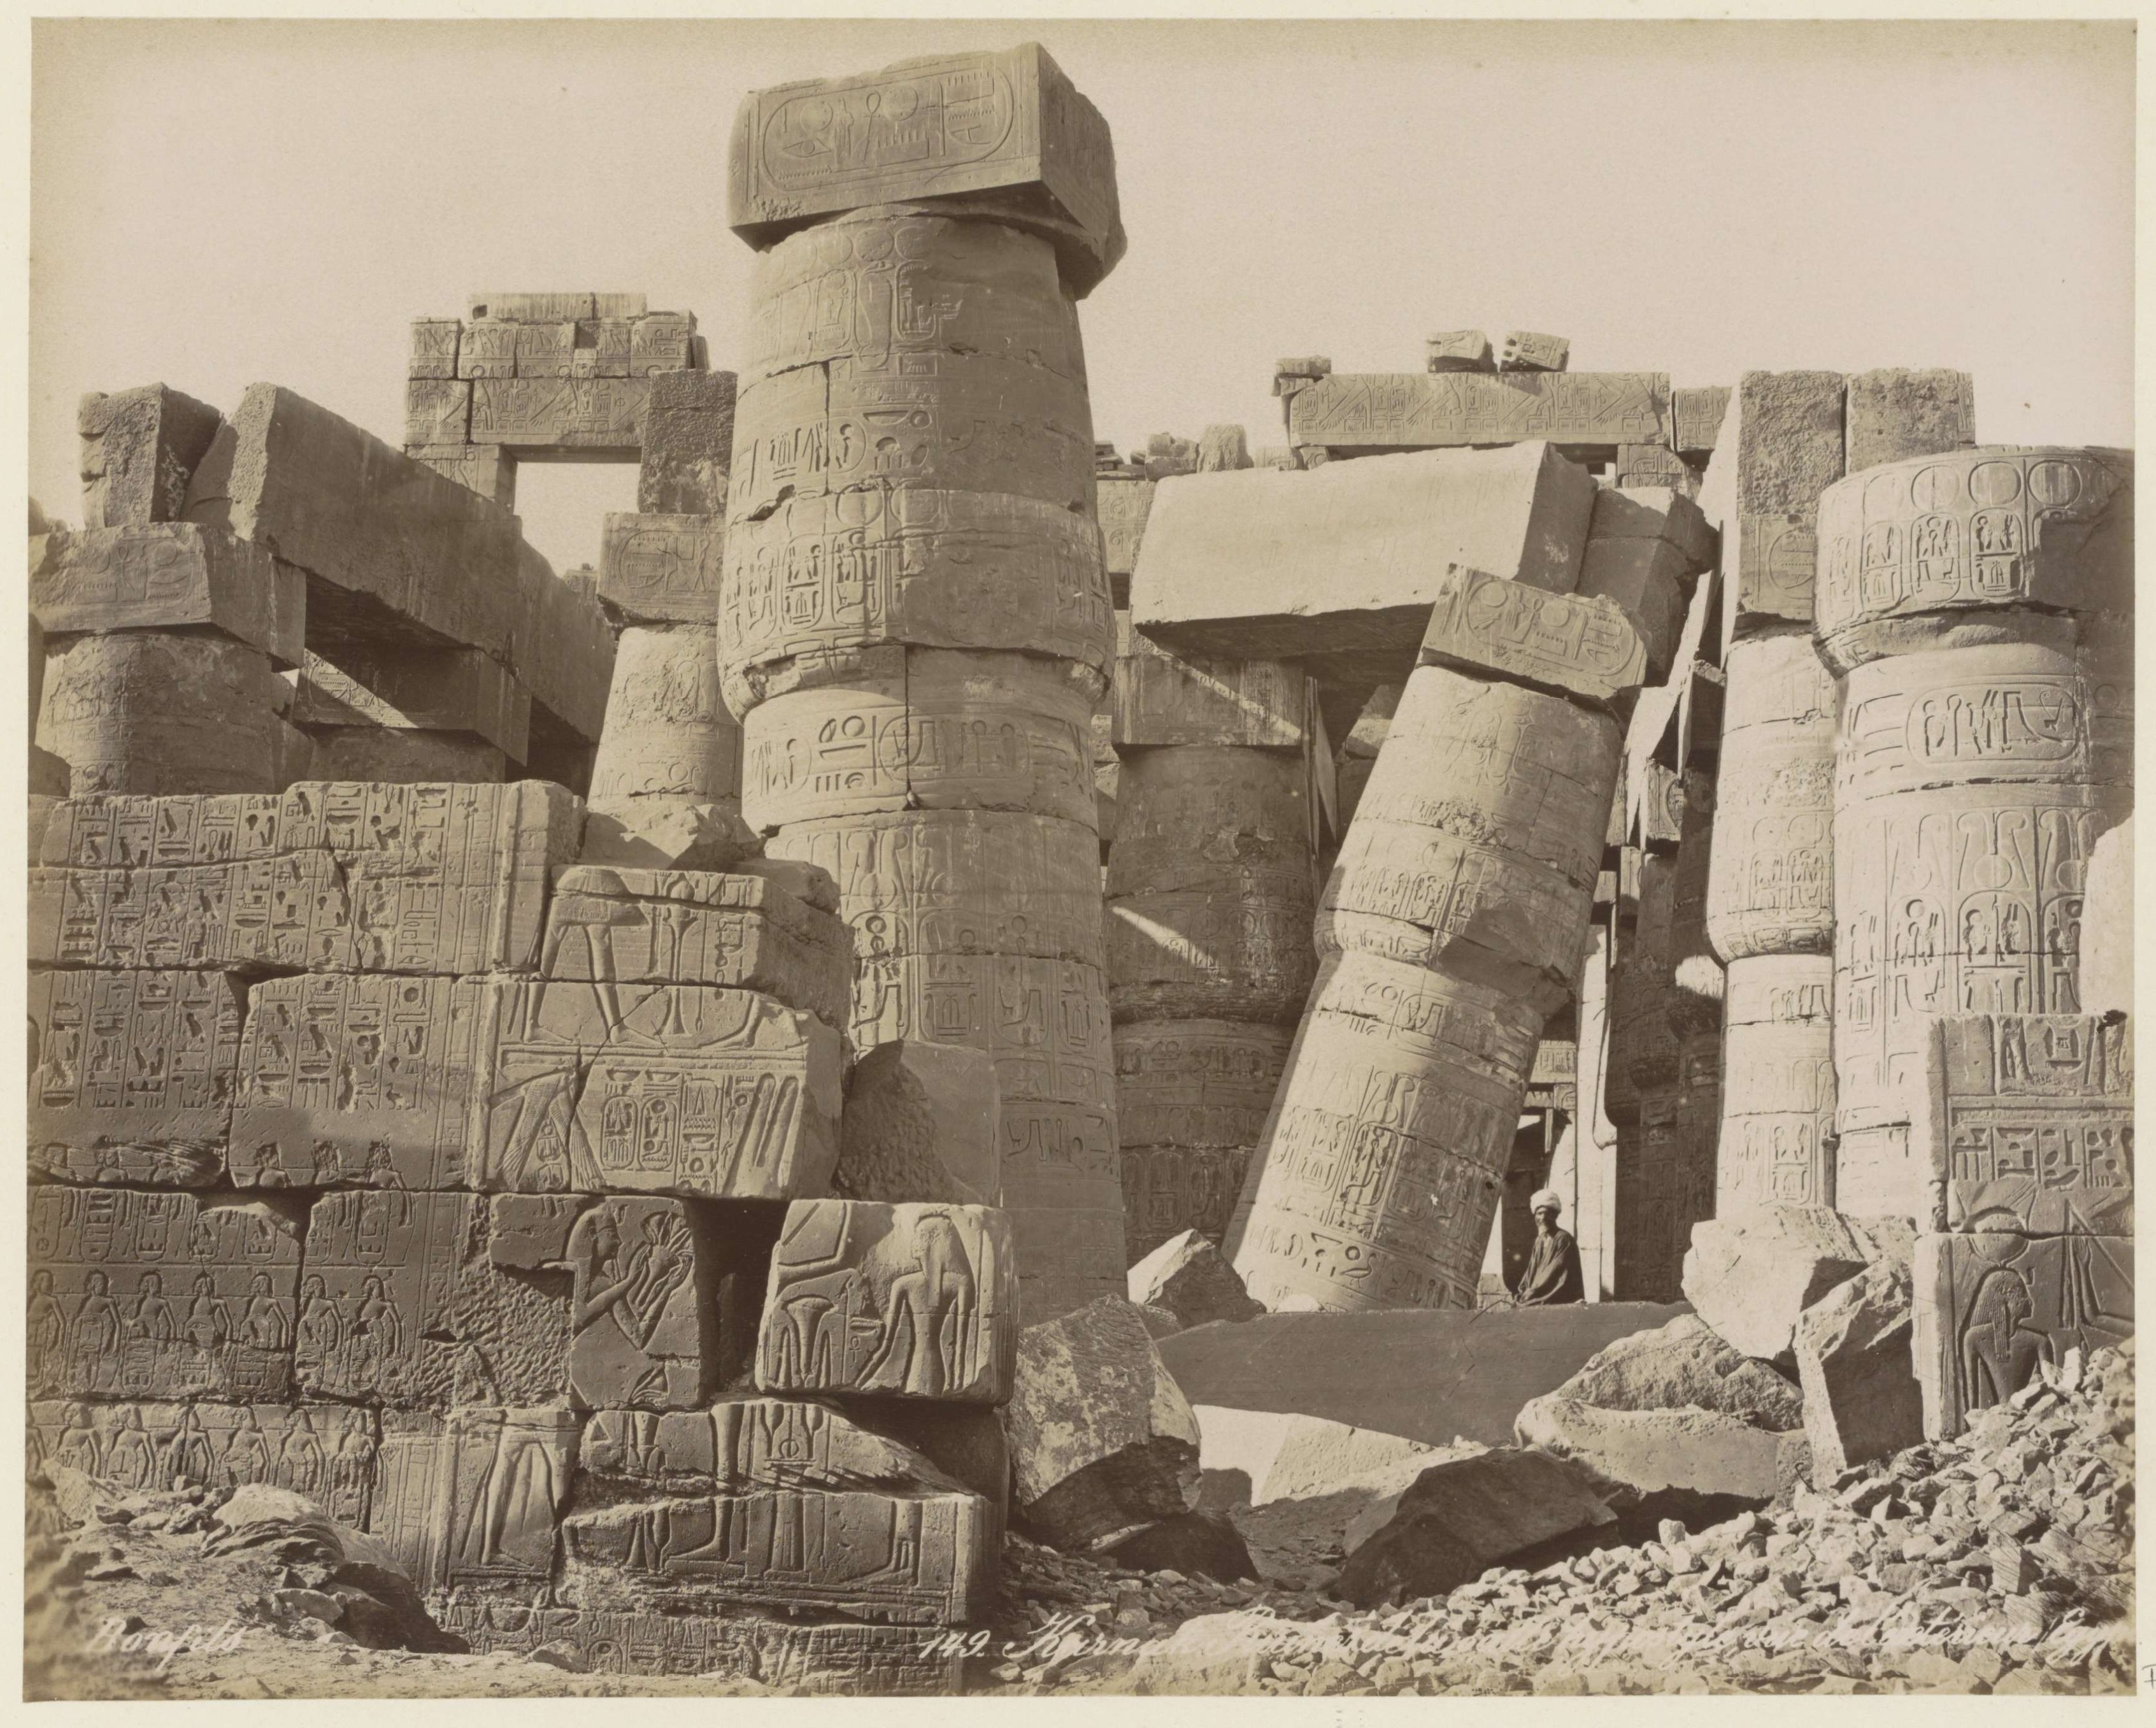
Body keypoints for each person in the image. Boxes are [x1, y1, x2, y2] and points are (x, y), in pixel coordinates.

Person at [1510, 1189, 1585, 1305]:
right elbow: (1531, 1271)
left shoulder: (1563, 1239)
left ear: (1555, 1216)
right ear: (1535, 1216)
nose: (1543, 1218)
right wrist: (1524, 1289)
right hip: (1539, 1291)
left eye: (1548, 1213)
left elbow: (1554, 1272)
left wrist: (1533, 1290)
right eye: (1539, 1214)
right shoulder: (1539, 1241)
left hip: (1558, 1293)